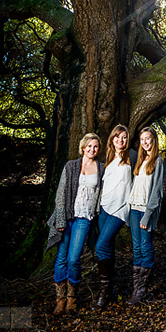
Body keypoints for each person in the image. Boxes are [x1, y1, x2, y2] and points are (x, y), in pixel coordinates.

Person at [47, 133, 103, 314]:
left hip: (84, 218)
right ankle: (60, 299)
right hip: (67, 217)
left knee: (73, 259)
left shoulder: (101, 168)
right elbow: (61, 194)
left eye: (95, 147)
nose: (92, 149)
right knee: (61, 257)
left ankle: (72, 297)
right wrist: (61, 220)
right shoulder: (70, 166)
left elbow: (101, 195)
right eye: (89, 146)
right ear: (83, 147)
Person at [94, 124, 136, 310]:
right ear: (112, 139)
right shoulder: (107, 157)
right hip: (104, 207)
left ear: (128, 140)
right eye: (117, 137)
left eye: (124, 137)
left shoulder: (133, 156)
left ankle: (103, 293)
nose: (121, 140)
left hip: (120, 209)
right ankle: (109, 289)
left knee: (101, 245)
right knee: (107, 246)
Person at [128, 127, 165, 305]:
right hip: (134, 209)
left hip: (145, 211)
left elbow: (157, 193)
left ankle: (141, 291)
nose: (145, 142)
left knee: (146, 247)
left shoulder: (158, 162)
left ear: (154, 140)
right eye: (142, 139)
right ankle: (137, 290)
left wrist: (147, 215)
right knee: (136, 249)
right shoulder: (140, 160)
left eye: (148, 139)